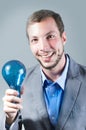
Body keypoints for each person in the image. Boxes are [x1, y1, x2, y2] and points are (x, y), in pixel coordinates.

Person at [2, 9, 86, 130]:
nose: (43, 47)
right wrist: (10, 120)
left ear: (63, 38)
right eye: (35, 40)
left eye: (50, 36)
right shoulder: (22, 81)